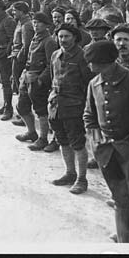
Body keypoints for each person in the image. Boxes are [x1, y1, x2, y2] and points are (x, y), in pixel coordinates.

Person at [83, 40, 129, 243]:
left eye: (93, 62)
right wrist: (96, 140)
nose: (90, 66)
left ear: (106, 61)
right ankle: (126, 241)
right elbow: (89, 115)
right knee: (120, 200)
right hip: (107, 152)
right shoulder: (94, 83)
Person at [49, 23, 94, 194]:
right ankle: (69, 173)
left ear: (75, 37)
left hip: (74, 106)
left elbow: (89, 83)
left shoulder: (83, 57)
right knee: (62, 140)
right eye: (60, 36)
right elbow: (53, 78)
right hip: (56, 105)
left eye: (67, 36)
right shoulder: (55, 55)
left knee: (78, 143)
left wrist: (86, 107)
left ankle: (82, 179)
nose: (63, 40)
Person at [15, 12, 58, 149]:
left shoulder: (49, 41)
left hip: (38, 79)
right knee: (22, 106)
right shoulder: (35, 38)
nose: (35, 25)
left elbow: (50, 64)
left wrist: (41, 80)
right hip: (27, 76)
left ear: (46, 25)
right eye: (34, 22)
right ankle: (31, 132)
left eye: (39, 22)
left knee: (41, 110)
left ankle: (43, 138)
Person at [9, 1, 34, 125]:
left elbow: (26, 45)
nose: (13, 13)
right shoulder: (21, 22)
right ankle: (22, 115)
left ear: (22, 12)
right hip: (17, 55)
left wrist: (18, 59)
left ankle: (25, 115)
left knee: (21, 87)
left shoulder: (26, 25)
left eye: (15, 10)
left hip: (20, 59)